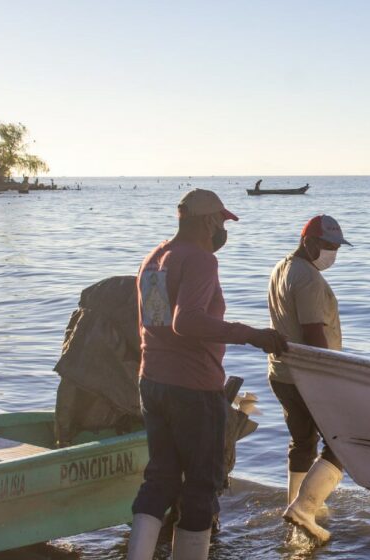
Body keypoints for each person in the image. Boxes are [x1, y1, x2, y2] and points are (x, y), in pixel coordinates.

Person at [127, 189, 288, 560]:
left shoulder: (154, 258)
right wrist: (252, 335)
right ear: (206, 220)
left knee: (160, 478)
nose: (222, 229)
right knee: (201, 485)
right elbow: (188, 321)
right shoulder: (200, 260)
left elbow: (156, 322)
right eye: (220, 220)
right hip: (193, 388)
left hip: (152, 381)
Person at [267, 214, 351, 543]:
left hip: (282, 372)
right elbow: (314, 334)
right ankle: (305, 508)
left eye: (337, 247)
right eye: (329, 246)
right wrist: (331, 379)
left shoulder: (281, 268)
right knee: (342, 442)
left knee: (302, 442)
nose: (333, 252)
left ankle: (296, 505)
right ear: (310, 242)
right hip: (308, 376)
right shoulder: (309, 279)